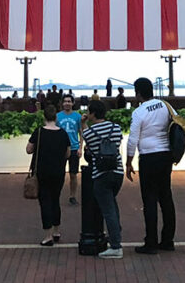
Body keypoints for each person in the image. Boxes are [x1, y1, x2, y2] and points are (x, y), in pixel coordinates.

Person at [125, 76, 175, 254]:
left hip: (148, 157)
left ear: (138, 93)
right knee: (166, 197)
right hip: (165, 155)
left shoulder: (139, 112)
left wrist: (129, 162)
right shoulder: (165, 105)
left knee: (150, 200)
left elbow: (132, 139)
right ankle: (168, 240)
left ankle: (151, 242)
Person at [82, 99, 124, 258]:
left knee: (108, 211)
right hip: (117, 172)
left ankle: (115, 246)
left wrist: (83, 123)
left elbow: (90, 147)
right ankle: (116, 234)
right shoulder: (116, 128)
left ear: (92, 113)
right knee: (112, 204)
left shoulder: (89, 133)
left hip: (101, 174)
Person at [25, 104, 71, 245]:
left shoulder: (38, 132)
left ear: (44, 117)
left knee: (45, 201)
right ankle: (56, 231)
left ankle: (48, 235)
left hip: (42, 172)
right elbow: (68, 153)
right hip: (58, 172)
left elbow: (28, 149)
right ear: (56, 117)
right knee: (55, 200)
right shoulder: (63, 133)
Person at [56, 94, 83, 205]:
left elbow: (81, 133)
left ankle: (72, 196)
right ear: (62, 103)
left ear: (73, 103)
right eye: (65, 101)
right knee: (59, 174)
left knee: (73, 174)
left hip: (74, 148)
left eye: (69, 101)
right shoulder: (57, 116)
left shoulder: (77, 116)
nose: (67, 103)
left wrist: (81, 147)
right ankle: (56, 194)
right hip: (60, 149)